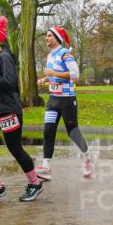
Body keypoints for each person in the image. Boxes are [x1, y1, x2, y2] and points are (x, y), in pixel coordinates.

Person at [0, 16, 43, 204]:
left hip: (8, 112)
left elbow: (9, 84)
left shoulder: (5, 56)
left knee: (15, 149)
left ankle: (35, 183)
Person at [35, 26, 94, 180]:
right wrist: (45, 79)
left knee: (72, 132)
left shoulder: (65, 54)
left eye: (49, 36)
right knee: (48, 131)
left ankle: (88, 156)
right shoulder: (49, 56)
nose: (46, 38)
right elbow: (52, 75)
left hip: (67, 100)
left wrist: (53, 73)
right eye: (46, 36)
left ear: (57, 38)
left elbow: (75, 75)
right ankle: (46, 167)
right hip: (53, 100)